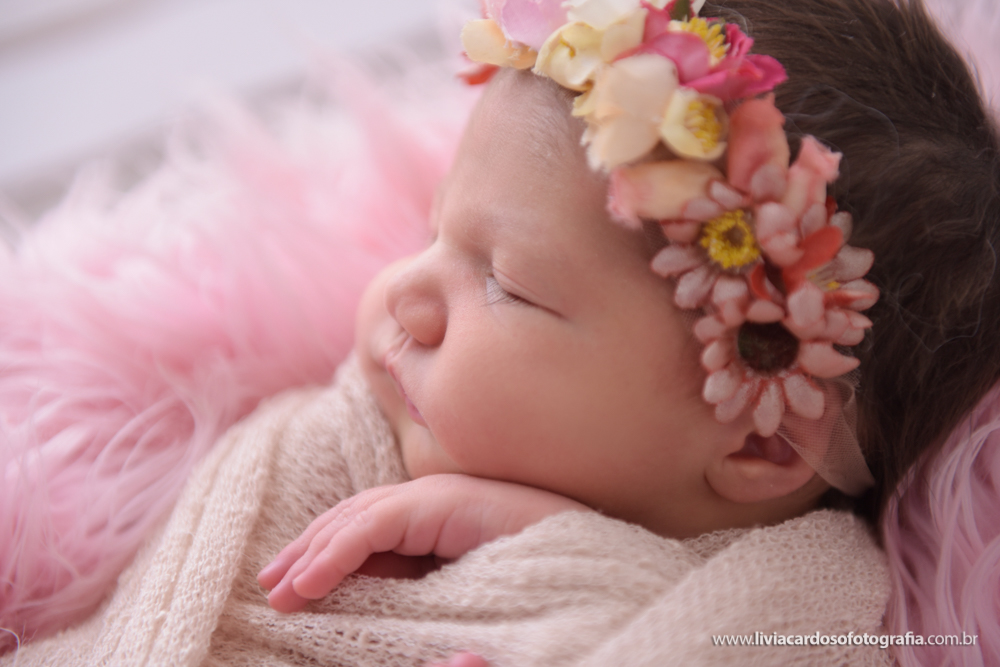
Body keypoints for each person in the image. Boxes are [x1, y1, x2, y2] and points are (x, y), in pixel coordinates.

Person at [4, 0, 996, 664]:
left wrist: (565, 564)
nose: (406, 293)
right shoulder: (362, 433)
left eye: (507, 285)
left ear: (761, 439)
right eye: (432, 228)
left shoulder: (796, 616)